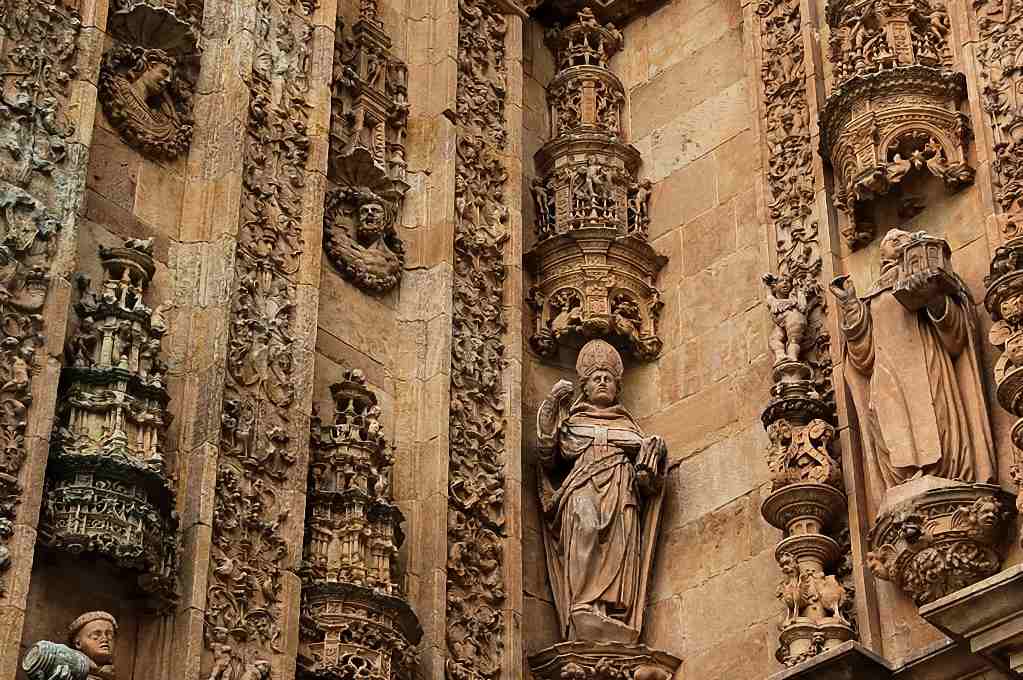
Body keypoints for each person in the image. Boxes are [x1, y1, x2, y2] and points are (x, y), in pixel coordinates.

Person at [830, 229, 995, 514]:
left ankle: (945, 475)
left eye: (903, 239)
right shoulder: (873, 296)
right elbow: (862, 356)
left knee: (937, 417)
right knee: (891, 430)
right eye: (892, 240)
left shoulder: (932, 279)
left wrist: (933, 299)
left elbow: (957, 336)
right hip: (886, 378)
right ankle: (904, 480)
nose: (898, 242)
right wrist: (850, 305)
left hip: (928, 367)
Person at [536, 339, 667, 644]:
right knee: (585, 526)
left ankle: (608, 612)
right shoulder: (573, 422)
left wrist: (653, 454)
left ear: (617, 386)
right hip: (582, 487)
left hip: (622, 491)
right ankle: (582, 603)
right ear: (585, 386)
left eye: (608, 378)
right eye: (597, 378)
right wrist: (552, 404)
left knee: (619, 544)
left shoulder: (629, 426)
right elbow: (547, 453)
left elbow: (649, 480)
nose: (603, 382)